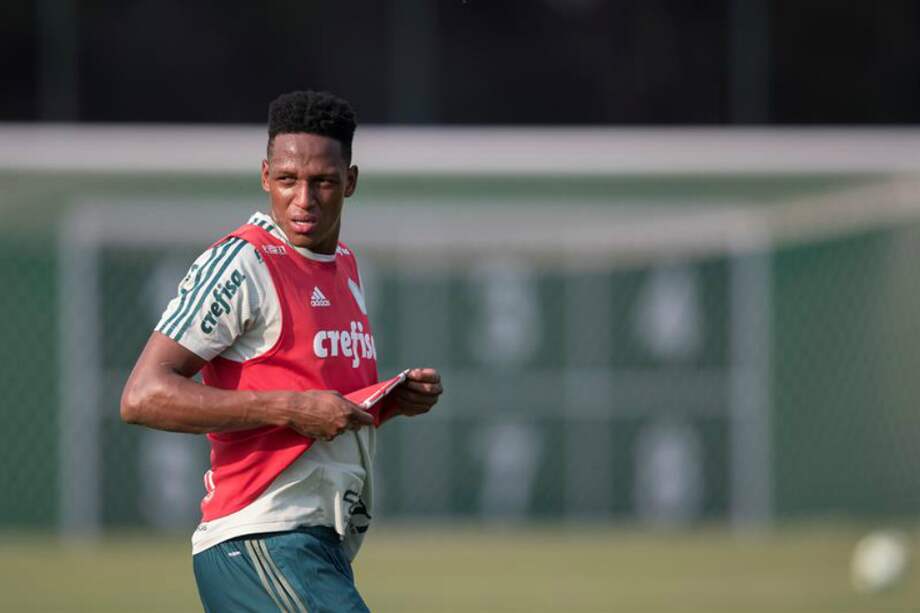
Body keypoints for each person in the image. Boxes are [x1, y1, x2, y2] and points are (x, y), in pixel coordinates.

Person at [121, 90, 443, 612]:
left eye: (323, 183)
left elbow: (316, 404)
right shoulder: (243, 262)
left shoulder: (347, 268)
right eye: (289, 180)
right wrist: (292, 407)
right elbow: (142, 395)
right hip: (261, 537)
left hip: (319, 545)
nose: (304, 200)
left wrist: (385, 402)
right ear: (265, 175)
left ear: (351, 182)